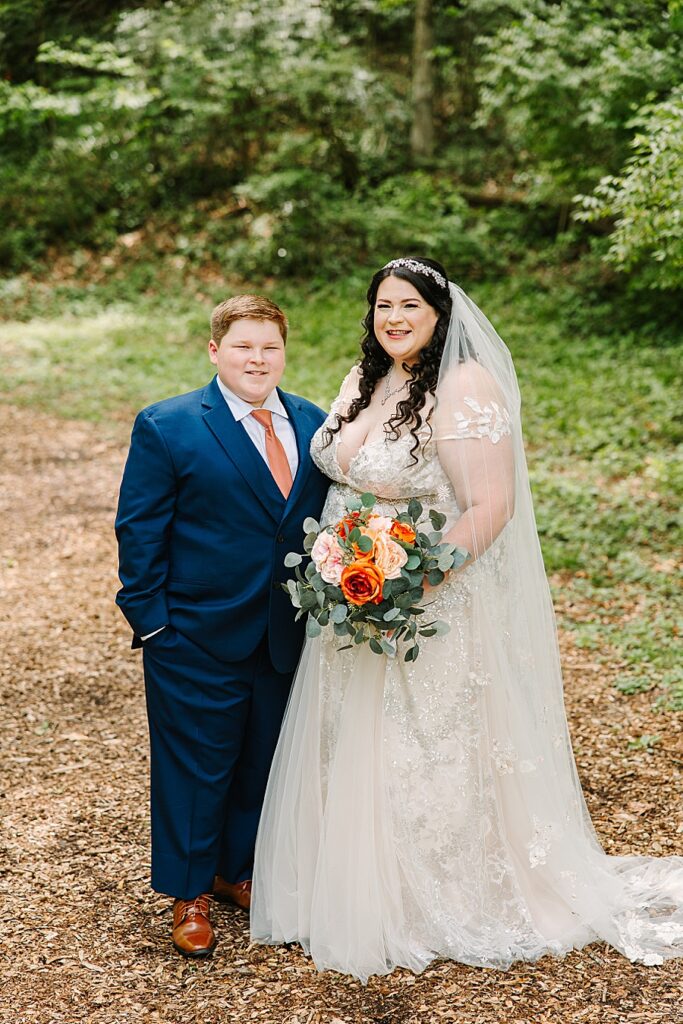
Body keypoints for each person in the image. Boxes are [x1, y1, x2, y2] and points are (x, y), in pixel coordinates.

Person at [250, 258, 683, 982]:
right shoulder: (367, 380)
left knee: (421, 743)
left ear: (438, 314)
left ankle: (432, 898)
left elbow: (490, 508)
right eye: (382, 305)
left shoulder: (463, 387)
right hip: (348, 595)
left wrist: (404, 586)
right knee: (347, 737)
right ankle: (351, 887)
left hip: (423, 603)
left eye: (409, 305)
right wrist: (346, 571)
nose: (393, 317)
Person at [115, 294, 329, 959]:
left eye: (269, 347)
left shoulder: (314, 424)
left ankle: (237, 870)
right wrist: (154, 625)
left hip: (282, 632)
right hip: (192, 635)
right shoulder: (169, 425)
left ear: (283, 353)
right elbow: (139, 530)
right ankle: (188, 894)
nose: (256, 359)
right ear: (215, 351)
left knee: (261, 759)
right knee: (195, 765)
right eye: (243, 346)